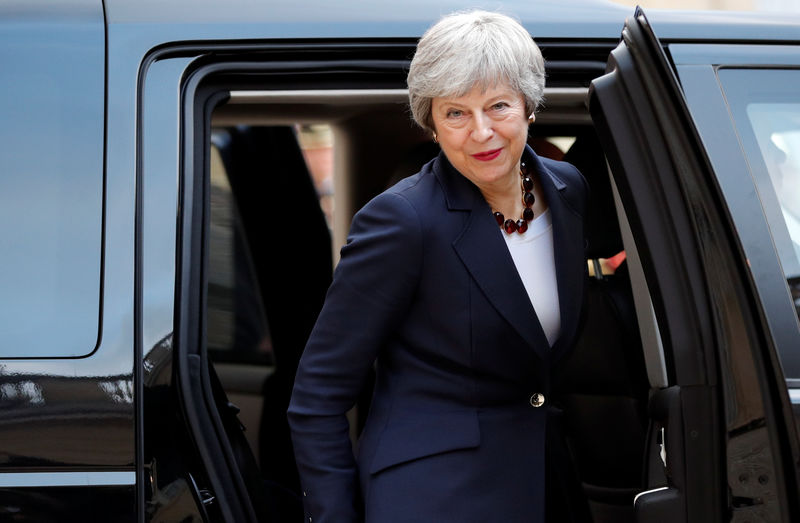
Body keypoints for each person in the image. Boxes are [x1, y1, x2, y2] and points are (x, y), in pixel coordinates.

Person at [288, 10, 590, 523]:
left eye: (498, 106)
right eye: (455, 113)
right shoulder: (404, 221)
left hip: (544, 481)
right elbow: (316, 399)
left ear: (528, 108)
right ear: (431, 123)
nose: (481, 132)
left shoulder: (566, 190)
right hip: (432, 495)